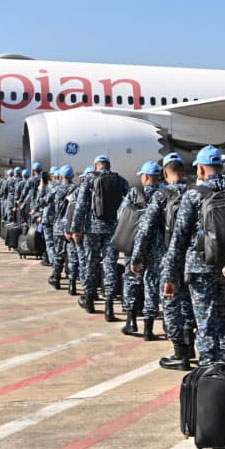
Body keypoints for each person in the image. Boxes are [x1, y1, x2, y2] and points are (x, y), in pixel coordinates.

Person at [162, 145, 225, 366]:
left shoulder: (193, 195)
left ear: (201, 170)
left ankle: (209, 374)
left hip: (199, 267)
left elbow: (178, 240)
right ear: (222, 167)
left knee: (205, 323)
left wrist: (170, 276)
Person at [133, 153, 195, 368]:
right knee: (188, 302)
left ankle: (180, 352)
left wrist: (137, 257)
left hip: (166, 257)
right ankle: (190, 343)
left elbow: (146, 229)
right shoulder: (195, 193)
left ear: (166, 173)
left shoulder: (161, 195)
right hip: (192, 256)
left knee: (170, 302)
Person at [68, 154, 128, 320]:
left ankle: (89, 299)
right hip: (112, 229)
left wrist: (75, 228)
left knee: (90, 263)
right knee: (110, 265)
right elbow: (128, 206)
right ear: (109, 165)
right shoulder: (120, 181)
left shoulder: (88, 179)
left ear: (95, 166)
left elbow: (80, 205)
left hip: (91, 229)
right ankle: (109, 307)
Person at [119, 161, 162, 339]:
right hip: (157, 247)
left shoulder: (134, 193)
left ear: (145, 177)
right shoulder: (164, 194)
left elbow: (121, 215)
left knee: (132, 280)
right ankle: (148, 328)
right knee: (152, 284)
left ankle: (130, 321)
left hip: (134, 245)